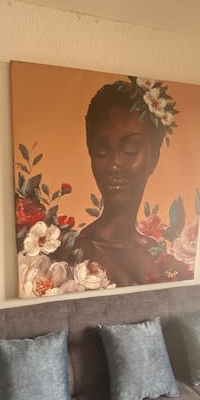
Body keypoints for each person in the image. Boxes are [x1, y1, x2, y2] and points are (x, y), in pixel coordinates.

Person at [73, 79, 191, 286]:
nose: (114, 165)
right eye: (101, 151)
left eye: (130, 149)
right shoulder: (78, 252)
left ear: (153, 158)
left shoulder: (155, 252)